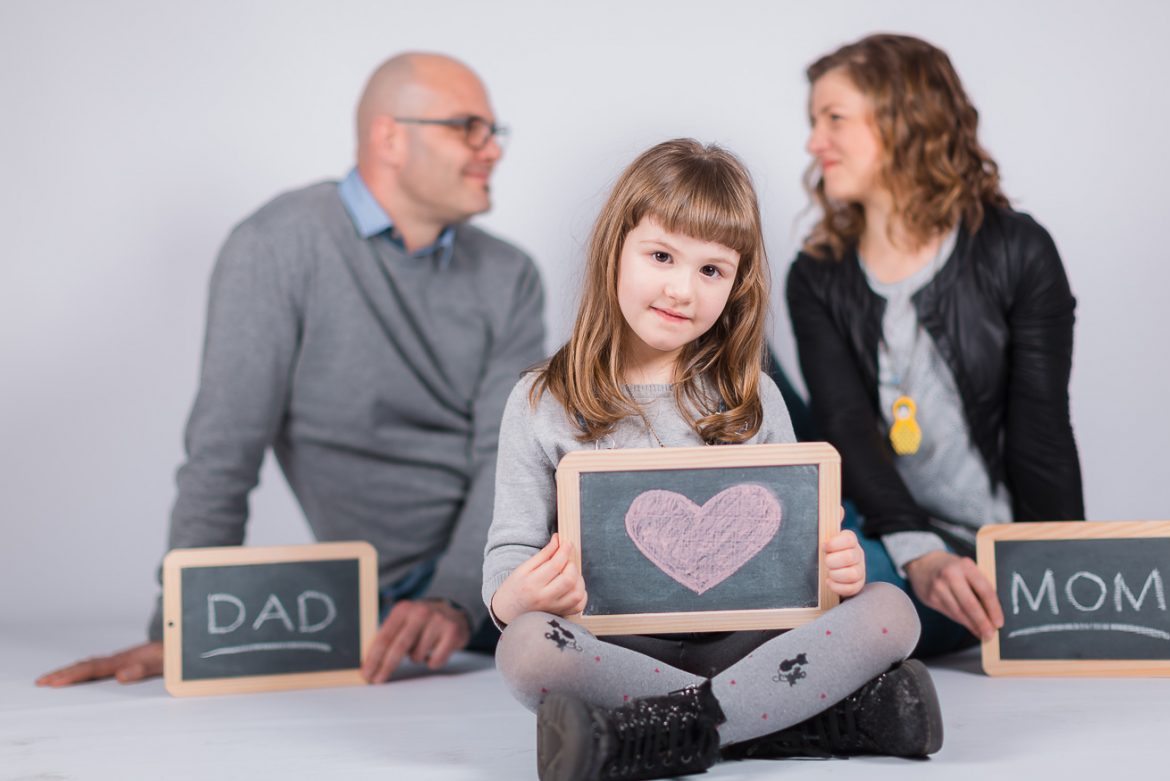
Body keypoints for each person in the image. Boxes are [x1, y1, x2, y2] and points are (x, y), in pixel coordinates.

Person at [37, 53, 545, 687]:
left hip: (516, 564)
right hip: (396, 594)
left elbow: (508, 456)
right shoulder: (278, 246)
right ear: (389, 136)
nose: (490, 149)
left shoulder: (510, 273)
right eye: (467, 127)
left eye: (493, 131)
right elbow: (224, 449)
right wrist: (181, 627)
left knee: (673, 611)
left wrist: (455, 597)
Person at [482, 139, 942, 781]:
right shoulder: (540, 400)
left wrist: (837, 570)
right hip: (616, 650)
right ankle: (796, 723)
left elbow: (802, 546)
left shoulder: (753, 397)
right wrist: (514, 595)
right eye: (662, 255)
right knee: (527, 649)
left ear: (737, 283)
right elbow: (510, 548)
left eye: (711, 270)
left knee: (891, 610)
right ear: (616, 248)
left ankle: (650, 733)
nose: (681, 289)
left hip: (749, 642)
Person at [787, 33, 1084, 659]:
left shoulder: (1017, 250)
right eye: (813, 121)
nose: (815, 143)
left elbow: (1042, 431)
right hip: (870, 523)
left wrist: (1059, 579)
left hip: (973, 546)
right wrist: (914, 550)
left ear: (904, 118)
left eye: (834, 118)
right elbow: (843, 425)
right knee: (725, 334)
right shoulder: (817, 274)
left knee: (855, 596)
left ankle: (836, 629)